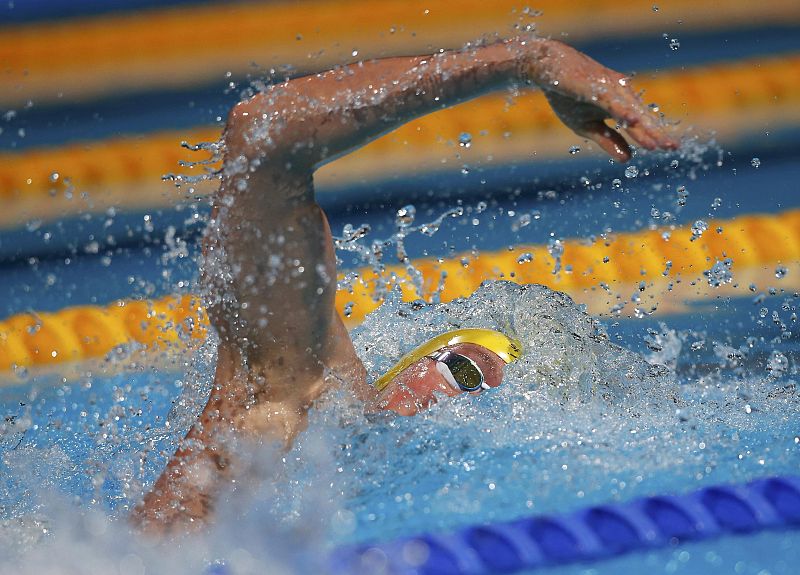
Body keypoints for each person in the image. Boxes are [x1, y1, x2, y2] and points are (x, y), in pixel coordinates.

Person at [132, 34, 677, 533]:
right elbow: (262, 132)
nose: (460, 411)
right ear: (411, 365)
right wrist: (527, 61)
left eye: (493, 411)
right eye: (462, 372)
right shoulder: (289, 398)